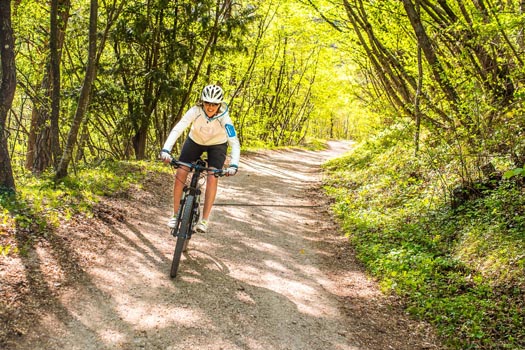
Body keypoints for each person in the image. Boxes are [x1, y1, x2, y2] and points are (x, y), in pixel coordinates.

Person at [160, 84, 240, 233]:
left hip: (217, 145)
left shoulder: (225, 119)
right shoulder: (195, 111)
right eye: (207, 103)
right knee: (181, 171)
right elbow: (179, 128)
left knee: (212, 176)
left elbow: (234, 142)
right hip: (194, 141)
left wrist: (234, 164)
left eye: (214, 104)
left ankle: (204, 220)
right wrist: (166, 149)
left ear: (220, 104)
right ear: (202, 101)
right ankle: (175, 214)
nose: (210, 107)